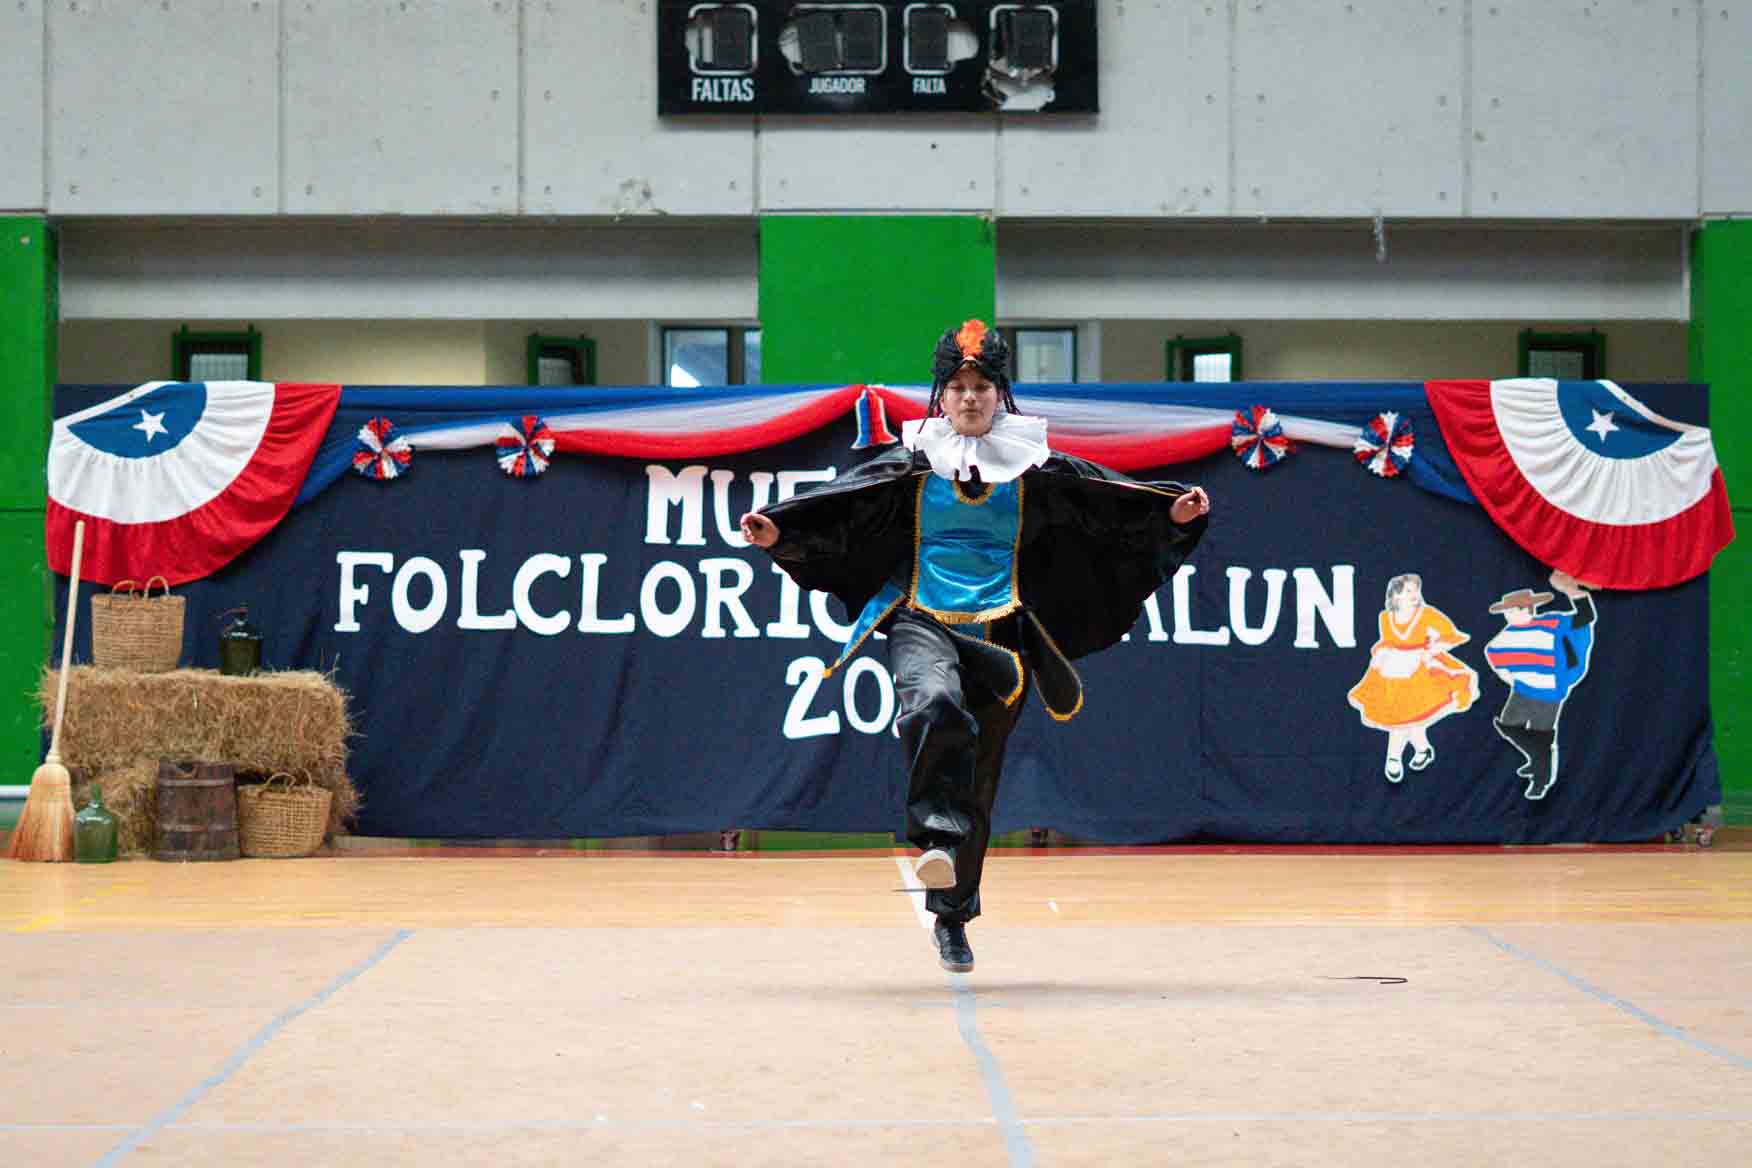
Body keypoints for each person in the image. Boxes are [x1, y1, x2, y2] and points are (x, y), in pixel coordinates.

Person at [741, 320, 1211, 973]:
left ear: (999, 395)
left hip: (1002, 633)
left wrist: (1170, 516)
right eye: (958, 387)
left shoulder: (1035, 471)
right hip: (922, 619)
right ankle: (935, 836)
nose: (969, 398)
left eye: (981, 387)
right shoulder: (911, 464)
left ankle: (953, 917)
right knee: (932, 702)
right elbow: (839, 513)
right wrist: (779, 535)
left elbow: (1107, 508)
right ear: (941, 395)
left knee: (980, 777)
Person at [1346, 573, 1478, 782]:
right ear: (1396, 595)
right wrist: (1380, 655)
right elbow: (1388, 641)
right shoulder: (1385, 617)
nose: (1415, 595)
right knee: (1403, 714)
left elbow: (1451, 635)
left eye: (1416, 590)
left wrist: (1433, 649)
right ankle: (1422, 748)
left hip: (1422, 667)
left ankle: (1393, 758)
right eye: (1409, 591)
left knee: (1403, 713)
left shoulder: (1427, 614)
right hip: (1393, 669)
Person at [1484, 569, 1597, 800]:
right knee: (1508, 726)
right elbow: (1493, 653)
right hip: (1521, 690)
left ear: (1525, 609)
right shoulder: (1507, 634)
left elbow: (1585, 617)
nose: (1507, 616)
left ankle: (1540, 780)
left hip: (1549, 692)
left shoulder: (1552, 622)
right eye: (1506, 612)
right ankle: (1538, 760)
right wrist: (1510, 677)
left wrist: (1572, 592)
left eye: (1510, 611)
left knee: (1541, 736)